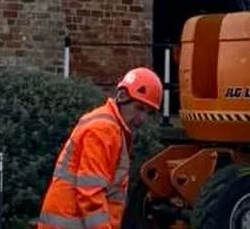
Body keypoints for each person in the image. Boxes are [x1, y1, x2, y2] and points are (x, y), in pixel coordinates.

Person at [36, 67, 163, 229]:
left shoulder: (109, 126)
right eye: (139, 108)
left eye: (148, 112)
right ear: (122, 97)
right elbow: (90, 192)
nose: (142, 118)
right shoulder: (104, 130)